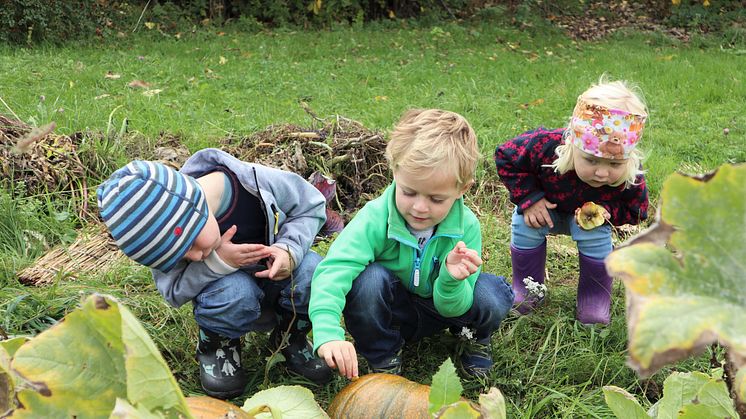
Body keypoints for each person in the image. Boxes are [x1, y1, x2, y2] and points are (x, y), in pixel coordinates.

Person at [97, 148, 332, 400]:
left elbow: (312, 205)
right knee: (234, 291)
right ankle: (218, 348)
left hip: (278, 275)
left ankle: (290, 339)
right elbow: (173, 292)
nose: (195, 257)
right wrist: (216, 263)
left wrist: (290, 250)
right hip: (228, 295)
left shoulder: (256, 183)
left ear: (195, 210)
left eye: (189, 247)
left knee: (312, 272)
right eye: (184, 258)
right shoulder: (163, 235)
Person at [309, 109, 514, 380]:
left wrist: (451, 280)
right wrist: (327, 333)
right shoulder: (374, 218)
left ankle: (473, 338)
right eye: (408, 192)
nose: (419, 207)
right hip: (395, 309)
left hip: (445, 309)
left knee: (491, 295)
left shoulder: (466, 227)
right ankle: (383, 353)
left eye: (436, 199)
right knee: (367, 280)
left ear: (462, 189)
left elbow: (455, 307)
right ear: (394, 171)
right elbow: (334, 271)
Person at [494, 77, 649, 325]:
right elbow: (506, 156)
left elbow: (637, 210)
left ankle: (594, 298)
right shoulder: (546, 146)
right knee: (525, 221)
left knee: (595, 233)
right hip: (546, 210)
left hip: (588, 221)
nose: (602, 172)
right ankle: (528, 288)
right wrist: (530, 198)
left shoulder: (630, 174)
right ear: (573, 144)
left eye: (615, 165)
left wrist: (609, 212)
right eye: (590, 160)